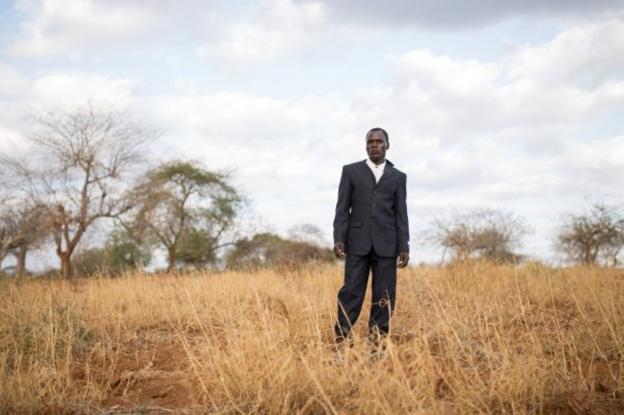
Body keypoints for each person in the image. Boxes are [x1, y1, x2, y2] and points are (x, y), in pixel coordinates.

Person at [333, 127, 409, 343]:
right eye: (370, 142)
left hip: (387, 245)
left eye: (379, 141)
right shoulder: (351, 171)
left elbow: (401, 214)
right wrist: (339, 238)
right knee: (351, 293)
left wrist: (404, 246)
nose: (374, 145)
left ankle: (377, 344)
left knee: (384, 296)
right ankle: (341, 340)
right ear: (366, 146)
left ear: (387, 145)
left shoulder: (398, 177)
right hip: (356, 243)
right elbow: (342, 209)